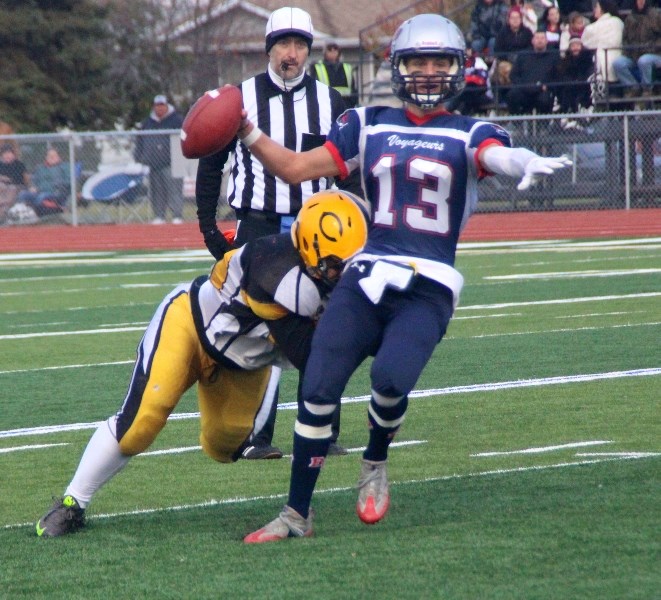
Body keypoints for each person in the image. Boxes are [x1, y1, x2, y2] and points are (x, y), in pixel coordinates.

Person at [238, 13, 571, 542]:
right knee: (318, 386)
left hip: (429, 283)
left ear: (458, 69)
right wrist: (247, 130)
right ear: (400, 67)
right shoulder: (367, 123)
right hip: (367, 274)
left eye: (440, 61)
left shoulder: (469, 131)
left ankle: (375, 459)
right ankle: (296, 514)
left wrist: (521, 158)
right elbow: (298, 169)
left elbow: (495, 155)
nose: (429, 72)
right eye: (418, 61)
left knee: (390, 380)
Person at [34, 190, 369, 538]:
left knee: (222, 446)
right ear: (311, 250)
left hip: (244, 363)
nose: (346, 272)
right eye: (337, 264)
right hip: (191, 326)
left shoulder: (325, 273)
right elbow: (310, 359)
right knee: (140, 423)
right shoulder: (274, 269)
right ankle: (72, 503)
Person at [196, 7, 358, 460]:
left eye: (300, 45)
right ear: (269, 49)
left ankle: (322, 431)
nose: (292, 54)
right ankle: (254, 437)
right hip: (260, 226)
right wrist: (208, 224)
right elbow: (211, 162)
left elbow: (350, 170)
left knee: (325, 328)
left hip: (320, 233)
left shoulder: (332, 102)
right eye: (283, 45)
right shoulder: (240, 100)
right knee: (259, 330)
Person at [134, 94, 184, 224]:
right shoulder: (147, 122)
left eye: (162, 105)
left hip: (173, 162)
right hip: (154, 163)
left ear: (167, 106)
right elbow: (139, 140)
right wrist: (139, 158)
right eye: (157, 105)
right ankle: (159, 215)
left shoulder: (177, 120)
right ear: (154, 107)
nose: (160, 108)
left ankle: (177, 215)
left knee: (175, 190)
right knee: (157, 191)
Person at [611, 0, 661, 98]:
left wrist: (651, 47)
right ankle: (633, 87)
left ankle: (647, 89)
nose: (640, 2)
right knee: (618, 63)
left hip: (656, 54)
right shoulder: (630, 18)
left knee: (644, 60)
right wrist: (628, 52)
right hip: (634, 55)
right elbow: (625, 39)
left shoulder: (656, 15)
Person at [507, 30, 560, 115]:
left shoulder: (554, 55)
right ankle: (516, 123)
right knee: (512, 95)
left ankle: (543, 126)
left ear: (546, 41)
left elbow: (558, 75)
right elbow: (513, 75)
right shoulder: (523, 55)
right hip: (524, 89)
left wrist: (547, 86)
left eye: (542, 38)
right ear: (532, 41)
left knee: (545, 100)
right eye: (537, 38)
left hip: (543, 91)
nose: (540, 40)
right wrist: (523, 86)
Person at [581, 0, 624, 92]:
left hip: (608, 61)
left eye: (596, 7)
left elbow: (586, 43)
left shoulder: (615, 23)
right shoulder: (619, 22)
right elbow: (586, 43)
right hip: (613, 60)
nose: (594, 10)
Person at [16, 147, 70, 216]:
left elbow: (69, 181)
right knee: (22, 194)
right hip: (38, 192)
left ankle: (35, 214)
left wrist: (58, 184)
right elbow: (34, 180)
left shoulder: (65, 167)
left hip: (54, 193)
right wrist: (33, 187)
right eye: (49, 156)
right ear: (46, 157)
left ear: (59, 157)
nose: (51, 158)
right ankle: (21, 214)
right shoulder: (40, 168)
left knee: (41, 196)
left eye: (54, 156)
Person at [556, 37, 594, 124]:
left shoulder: (587, 59)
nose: (575, 48)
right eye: (573, 45)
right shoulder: (565, 60)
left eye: (577, 45)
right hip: (569, 87)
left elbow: (589, 73)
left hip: (584, 86)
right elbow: (563, 74)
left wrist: (581, 80)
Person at [311, 40, 358, 108]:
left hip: (345, 106)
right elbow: (314, 90)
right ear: (325, 53)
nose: (333, 51)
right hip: (326, 107)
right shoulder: (318, 67)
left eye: (335, 49)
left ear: (339, 52)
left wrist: (351, 104)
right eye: (329, 49)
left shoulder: (347, 67)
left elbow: (353, 90)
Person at [0, 145, 30, 223]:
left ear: (13, 155)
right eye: (5, 154)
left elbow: (22, 179)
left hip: (17, 186)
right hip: (3, 187)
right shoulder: (1, 165)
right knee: (2, 186)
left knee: (12, 188)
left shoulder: (19, 164)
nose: (7, 155)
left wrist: (6, 179)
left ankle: (4, 205)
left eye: (9, 153)